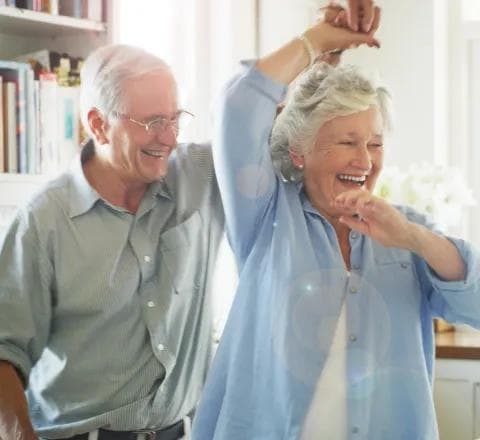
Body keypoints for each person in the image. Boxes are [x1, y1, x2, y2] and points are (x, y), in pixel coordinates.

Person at [191, 5, 480, 440]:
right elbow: (239, 106)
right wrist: (318, 41)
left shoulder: (406, 229)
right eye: (347, 142)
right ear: (300, 152)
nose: (365, 161)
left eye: (375, 143)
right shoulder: (267, 216)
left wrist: (414, 238)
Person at [0, 44, 224, 440]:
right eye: (154, 122)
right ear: (98, 124)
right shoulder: (42, 221)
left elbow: (258, 120)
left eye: (175, 119)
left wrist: (318, 47)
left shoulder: (199, 176)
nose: (170, 138)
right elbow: (4, 354)